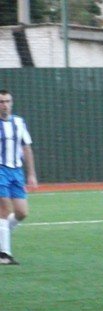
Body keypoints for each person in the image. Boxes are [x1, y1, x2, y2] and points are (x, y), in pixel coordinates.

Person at [0, 89, 38, 265]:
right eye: (1, 102)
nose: (5, 105)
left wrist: (31, 174)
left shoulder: (19, 122)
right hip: (0, 169)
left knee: (22, 212)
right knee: (4, 210)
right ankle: (4, 254)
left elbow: (27, 147)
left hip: (16, 171)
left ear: (12, 103)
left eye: (7, 101)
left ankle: (2, 237)